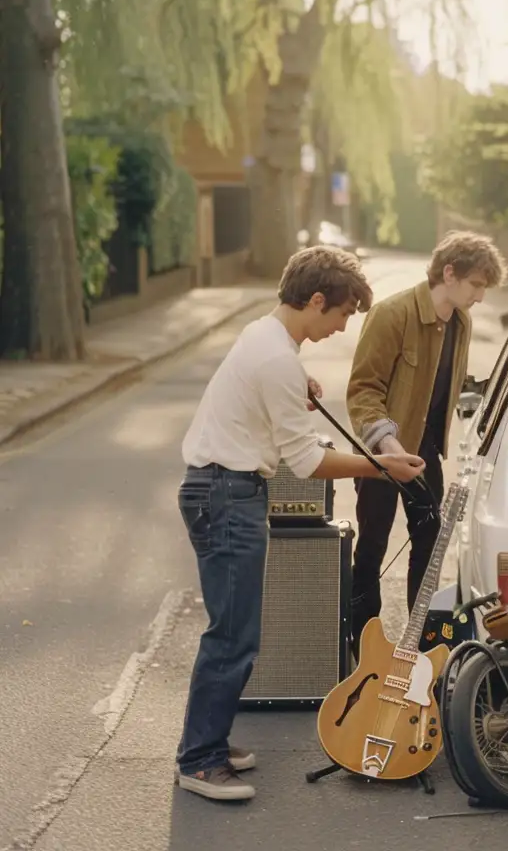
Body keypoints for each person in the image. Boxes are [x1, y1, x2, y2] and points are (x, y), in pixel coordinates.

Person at [175, 246, 425, 803]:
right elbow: (309, 462)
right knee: (233, 636)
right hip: (226, 494)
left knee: (234, 632)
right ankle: (199, 760)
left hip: (223, 489)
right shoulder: (276, 360)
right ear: (315, 300)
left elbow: (272, 399)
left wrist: (298, 385)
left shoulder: (267, 339)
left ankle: (207, 739)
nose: (341, 328)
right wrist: (381, 466)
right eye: (339, 315)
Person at [344, 232, 502, 641]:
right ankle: (363, 643)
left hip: (426, 450)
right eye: (477, 285)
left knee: (430, 541)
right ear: (449, 273)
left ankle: (418, 639)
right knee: (373, 547)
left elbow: (446, 383)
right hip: (382, 453)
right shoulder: (390, 314)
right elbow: (363, 391)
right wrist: (388, 445)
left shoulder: (461, 323)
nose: (481, 297)